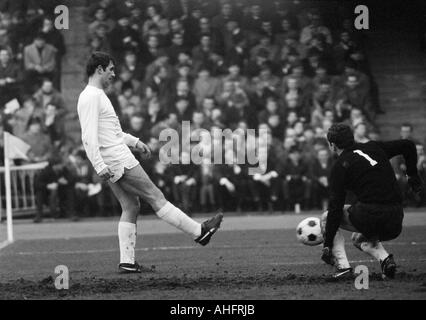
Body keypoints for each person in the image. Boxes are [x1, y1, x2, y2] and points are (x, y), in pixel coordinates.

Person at [77, 52, 223, 273]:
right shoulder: (92, 97)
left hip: (113, 156)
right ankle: (199, 232)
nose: (113, 74)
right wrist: (98, 165)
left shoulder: (96, 95)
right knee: (156, 197)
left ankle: (127, 262)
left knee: (131, 206)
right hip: (117, 159)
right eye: (111, 69)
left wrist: (135, 141)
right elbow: (88, 137)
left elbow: (111, 133)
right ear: (99, 69)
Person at [321, 123, 423, 279]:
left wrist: (327, 244)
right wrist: (413, 176)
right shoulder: (374, 147)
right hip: (395, 220)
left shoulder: (340, 167)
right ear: (352, 138)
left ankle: (343, 267)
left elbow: (335, 209)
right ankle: (385, 260)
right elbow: (408, 145)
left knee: (327, 217)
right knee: (358, 238)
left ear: (332, 145)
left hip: (369, 216)